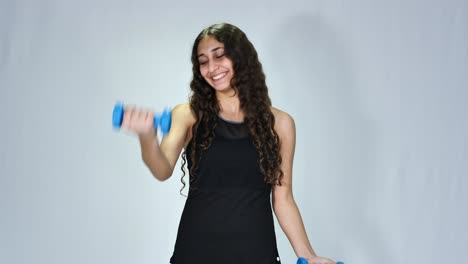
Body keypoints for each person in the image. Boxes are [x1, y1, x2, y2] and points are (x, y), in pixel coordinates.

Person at [121, 23, 337, 264]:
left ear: (241, 57)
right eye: (203, 61)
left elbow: (283, 197)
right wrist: (147, 137)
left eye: (220, 56)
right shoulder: (188, 114)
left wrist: (307, 255)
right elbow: (162, 169)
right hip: (195, 254)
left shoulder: (281, 123)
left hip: (257, 255)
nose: (212, 68)